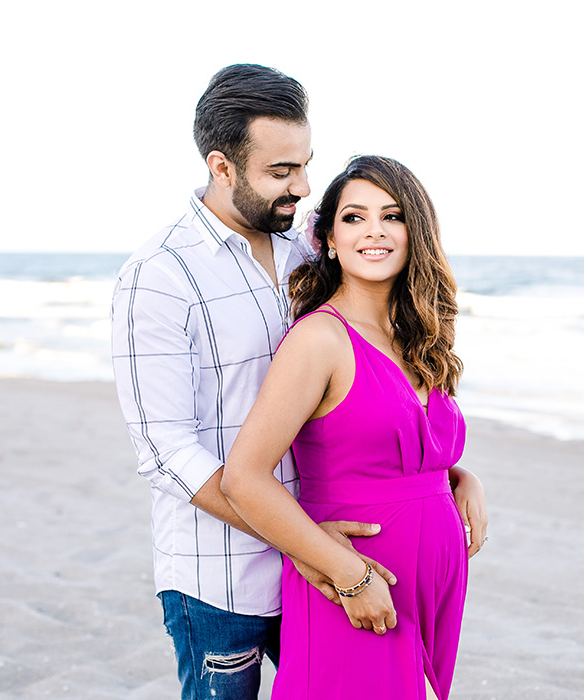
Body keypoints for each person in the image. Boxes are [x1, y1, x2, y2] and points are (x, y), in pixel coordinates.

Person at [111, 65, 487, 700]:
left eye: (306, 166)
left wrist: (450, 474)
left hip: (332, 558)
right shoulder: (160, 276)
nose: (303, 187)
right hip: (225, 573)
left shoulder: (303, 254)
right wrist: (313, 547)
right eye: (281, 172)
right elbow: (166, 452)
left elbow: (363, 406)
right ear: (222, 166)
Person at [221, 155, 486, 700]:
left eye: (392, 216)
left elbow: (387, 446)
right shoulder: (320, 338)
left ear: (416, 233)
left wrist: (459, 479)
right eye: (354, 217)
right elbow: (244, 478)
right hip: (357, 584)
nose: (375, 231)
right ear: (329, 241)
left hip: (430, 586)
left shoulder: (420, 337)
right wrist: (349, 574)